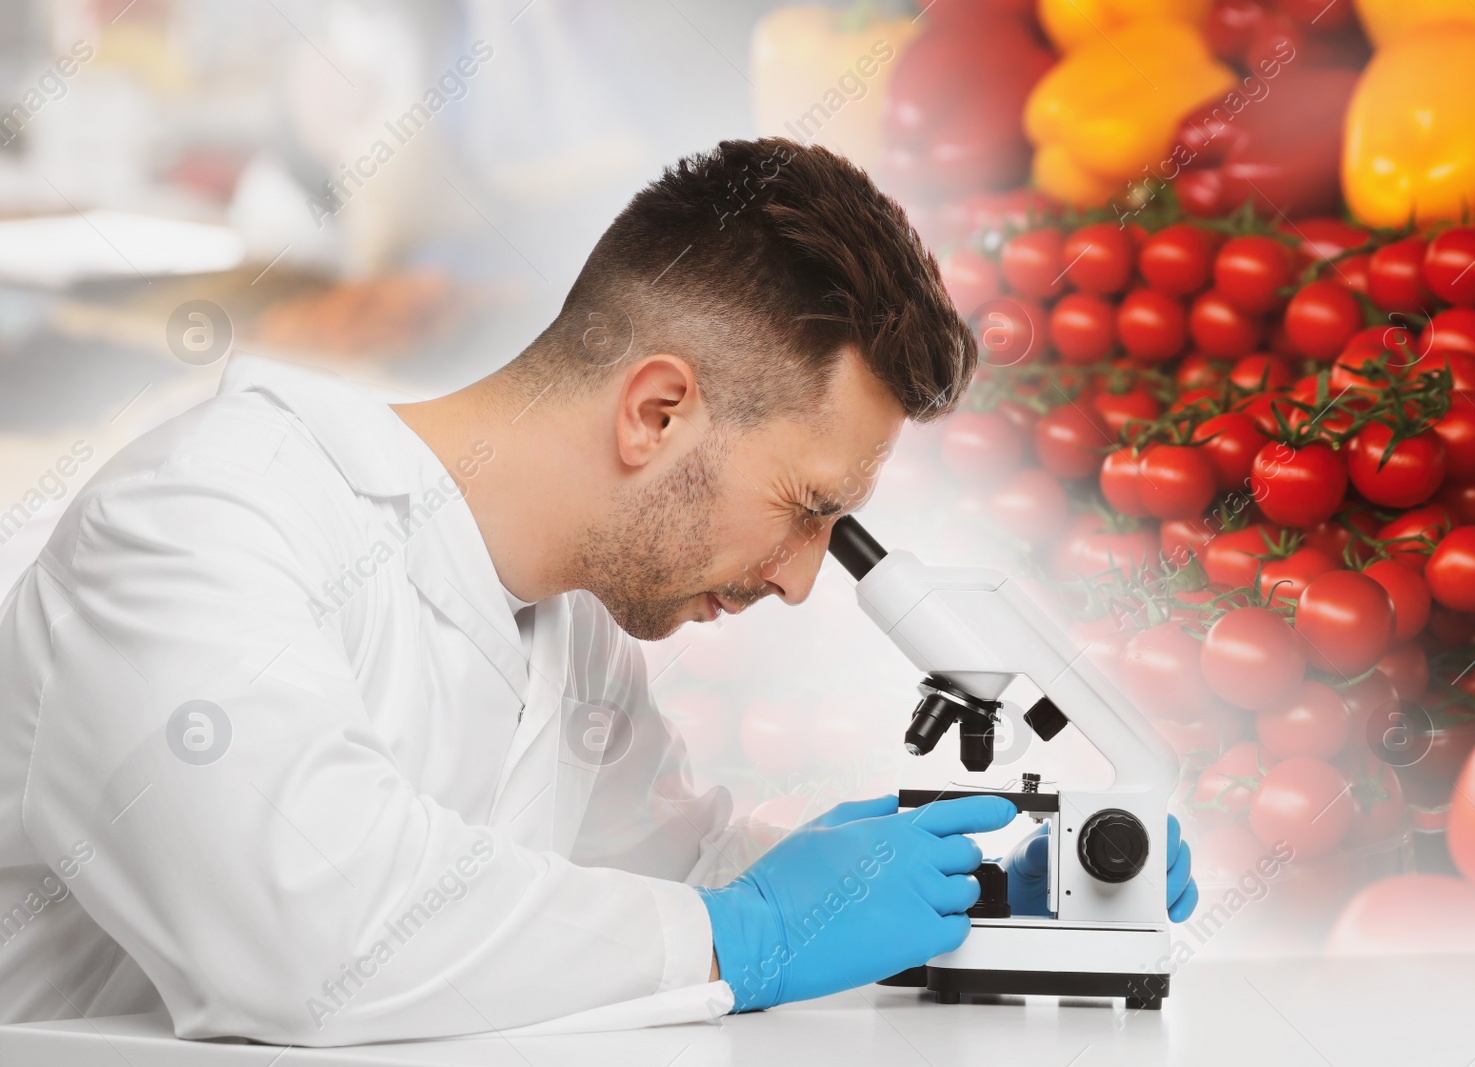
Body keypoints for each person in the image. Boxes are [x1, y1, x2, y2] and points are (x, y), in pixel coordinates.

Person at [0, 138, 1196, 1045]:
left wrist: (991, 908)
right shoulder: (207, 517)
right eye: (807, 508)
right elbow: (310, 936)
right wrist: (761, 930)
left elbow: (664, 886)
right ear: (657, 411)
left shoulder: (562, 622)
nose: (796, 579)